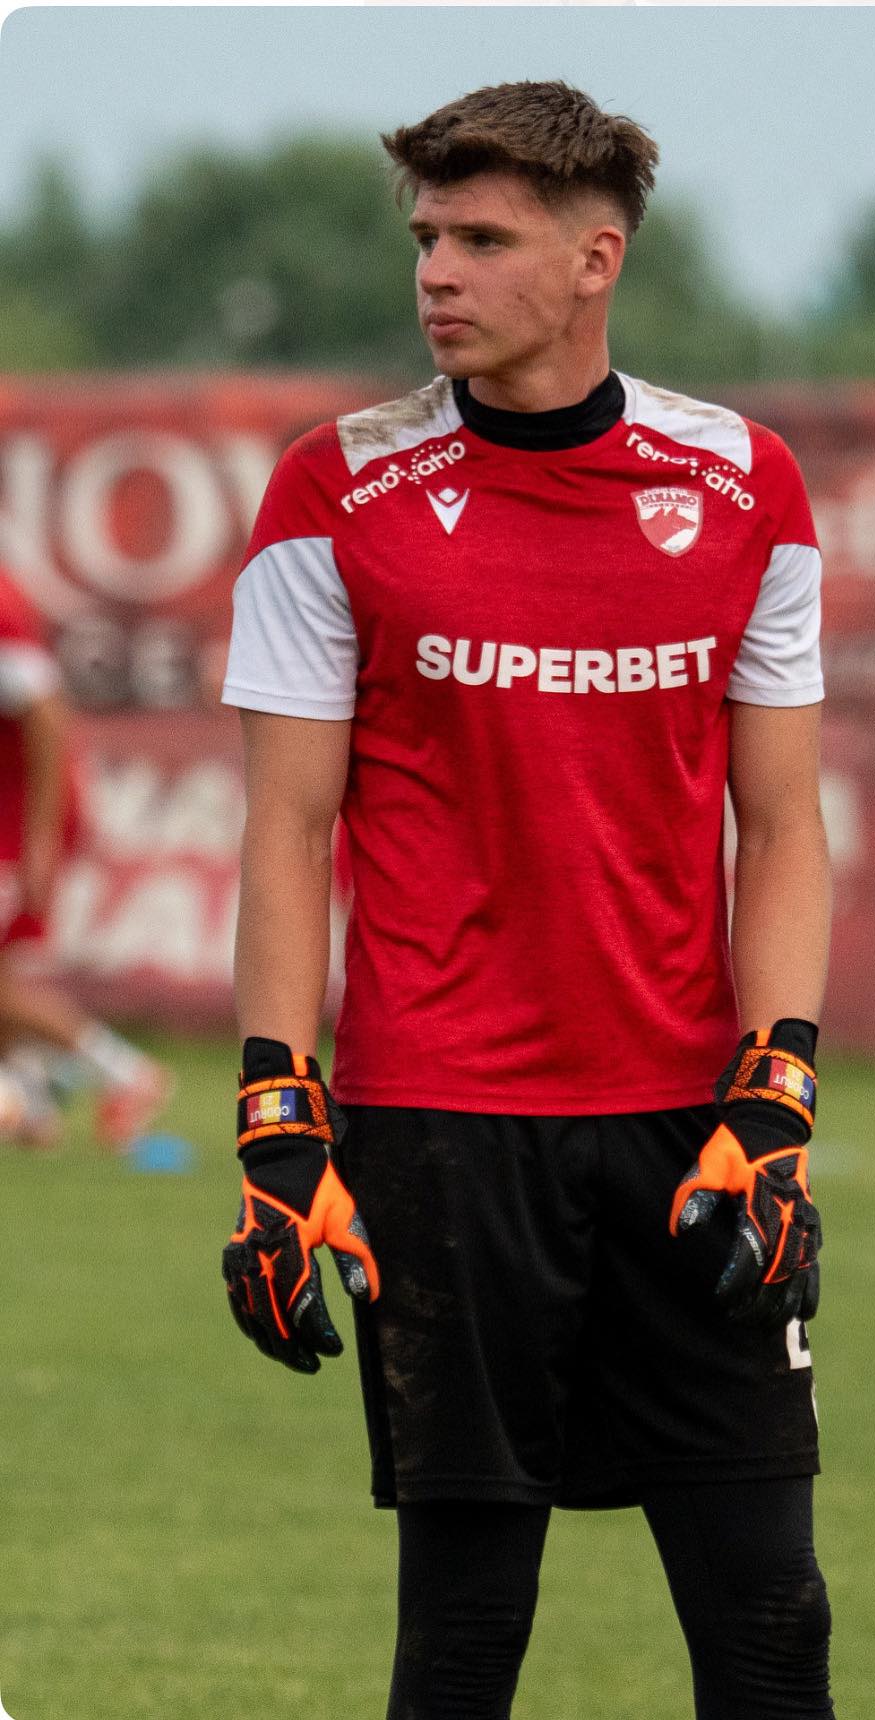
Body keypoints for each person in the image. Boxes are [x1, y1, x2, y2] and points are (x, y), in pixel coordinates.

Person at [220, 80, 833, 1720]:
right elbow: (287, 830)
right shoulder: (330, 493)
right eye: (428, 236)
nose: (437, 272)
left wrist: (777, 1095)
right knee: (466, 1632)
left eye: (484, 240)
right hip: (439, 1127)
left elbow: (782, 828)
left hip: (691, 1129)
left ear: (594, 260)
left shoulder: (747, 485)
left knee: (772, 1621)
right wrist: (278, 1129)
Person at [0, 566, 172, 1150]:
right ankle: (29, 1106)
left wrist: (40, 841)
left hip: (15, 825)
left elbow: (47, 717)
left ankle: (124, 1074)